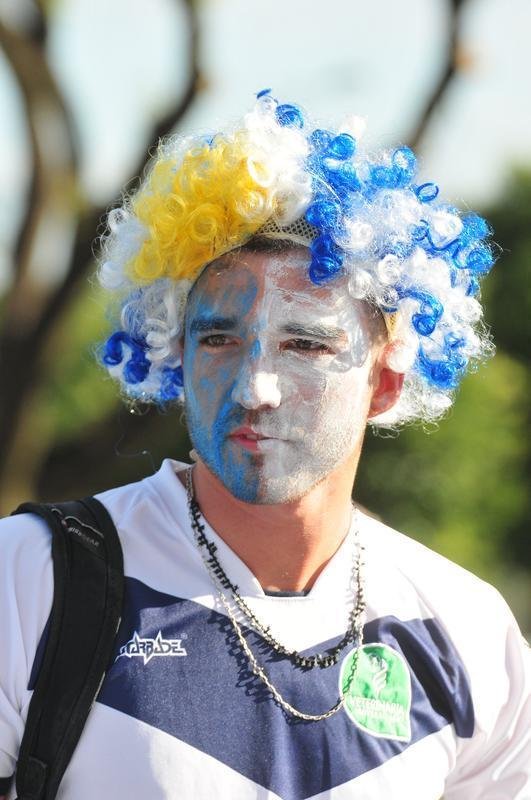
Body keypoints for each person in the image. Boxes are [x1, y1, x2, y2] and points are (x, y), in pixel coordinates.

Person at [0, 90, 529, 799]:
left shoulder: (466, 629)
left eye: (305, 345)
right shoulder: (30, 577)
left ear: (384, 384)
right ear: (176, 356)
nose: (255, 388)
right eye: (219, 338)